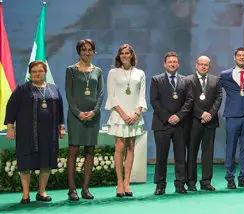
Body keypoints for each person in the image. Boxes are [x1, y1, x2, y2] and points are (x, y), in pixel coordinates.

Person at [5, 60, 66, 204]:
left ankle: (42, 192)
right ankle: (26, 194)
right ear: (30, 73)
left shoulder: (53, 89)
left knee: (46, 162)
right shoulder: (22, 89)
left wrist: (61, 127)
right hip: (27, 133)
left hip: (49, 133)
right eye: (34, 71)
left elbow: (60, 109)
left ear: (45, 73)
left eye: (40, 71)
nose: (37, 74)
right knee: (26, 162)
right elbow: (11, 108)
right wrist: (10, 127)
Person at [105, 44, 147, 197]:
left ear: (131, 55)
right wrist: (123, 115)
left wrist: (136, 114)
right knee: (119, 148)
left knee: (131, 148)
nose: (124, 55)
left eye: (127, 53)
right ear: (119, 56)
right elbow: (111, 96)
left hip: (135, 115)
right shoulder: (113, 73)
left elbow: (142, 95)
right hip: (119, 115)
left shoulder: (140, 73)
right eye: (122, 53)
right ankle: (119, 183)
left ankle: (127, 182)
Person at [65, 39, 104, 200]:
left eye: (90, 50)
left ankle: (85, 189)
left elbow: (100, 93)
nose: (87, 52)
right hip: (76, 117)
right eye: (83, 50)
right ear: (78, 52)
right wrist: (78, 113)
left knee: (90, 151)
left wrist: (94, 112)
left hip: (93, 117)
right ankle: (72, 189)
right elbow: (69, 94)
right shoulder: (71, 70)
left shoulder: (98, 71)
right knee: (73, 151)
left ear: (94, 52)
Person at [150, 52, 193, 195]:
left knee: (180, 157)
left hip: (180, 125)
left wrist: (179, 116)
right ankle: (160, 185)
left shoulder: (185, 80)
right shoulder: (156, 80)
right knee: (161, 157)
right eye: (170, 62)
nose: (172, 64)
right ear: (165, 64)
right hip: (162, 124)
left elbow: (189, 101)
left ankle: (180, 183)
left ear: (178, 64)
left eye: (175, 62)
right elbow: (154, 101)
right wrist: (168, 117)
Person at [220, 47, 244, 189]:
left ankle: (243, 177)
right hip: (232, 116)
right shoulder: (225, 75)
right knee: (231, 147)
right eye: (239, 55)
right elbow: (216, 92)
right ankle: (230, 177)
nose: (241, 57)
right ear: (234, 58)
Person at [187, 56, 222, 191]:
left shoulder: (215, 80)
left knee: (208, 152)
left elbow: (219, 98)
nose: (203, 67)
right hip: (193, 121)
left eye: (206, 65)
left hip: (210, 122)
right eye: (201, 64)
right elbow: (189, 100)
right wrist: (201, 114)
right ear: (196, 65)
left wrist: (210, 114)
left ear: (209, 66)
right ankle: (191, 182)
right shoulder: (188, 80)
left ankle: (206, 181)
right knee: (192, 152)